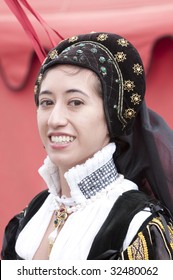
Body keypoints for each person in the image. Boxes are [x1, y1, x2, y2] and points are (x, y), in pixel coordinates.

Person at [1, 32, 173, 260]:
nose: (54, 119)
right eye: (46, 102)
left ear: (111, 116)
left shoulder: (136, 225)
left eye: (75, 102)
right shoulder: (32, 215)